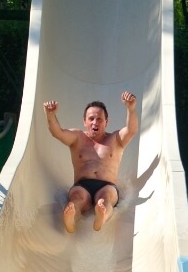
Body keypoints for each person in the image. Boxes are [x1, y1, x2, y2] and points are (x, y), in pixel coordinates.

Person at [43, 91, 138, 232]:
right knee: (76, 198)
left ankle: (102, 216)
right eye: (91, 118)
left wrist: (131, 109)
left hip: (108, 185)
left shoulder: (115, 139)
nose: (95, 122)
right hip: (82, 185)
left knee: (105, 199)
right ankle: (71, 219)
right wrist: (50, 115)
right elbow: (58, 132)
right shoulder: (77, 137)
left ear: (106, 122)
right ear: (85, 122)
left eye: (99, 119)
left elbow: (131, 130)